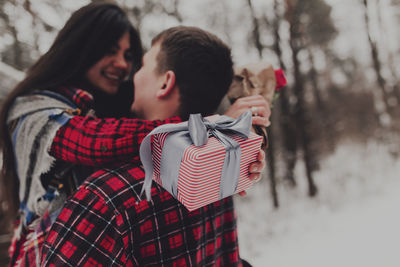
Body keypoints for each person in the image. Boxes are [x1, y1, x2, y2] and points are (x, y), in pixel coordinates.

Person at [0, 2, 269, 266]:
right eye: (110, 51)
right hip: (41, 250)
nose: (122, 65)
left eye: (130, 57)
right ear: (80, 47)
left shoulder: (117, 110)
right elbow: (93, 141)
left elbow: (193, 79)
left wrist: (232, 152)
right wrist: (212, 130)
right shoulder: (31, 109)